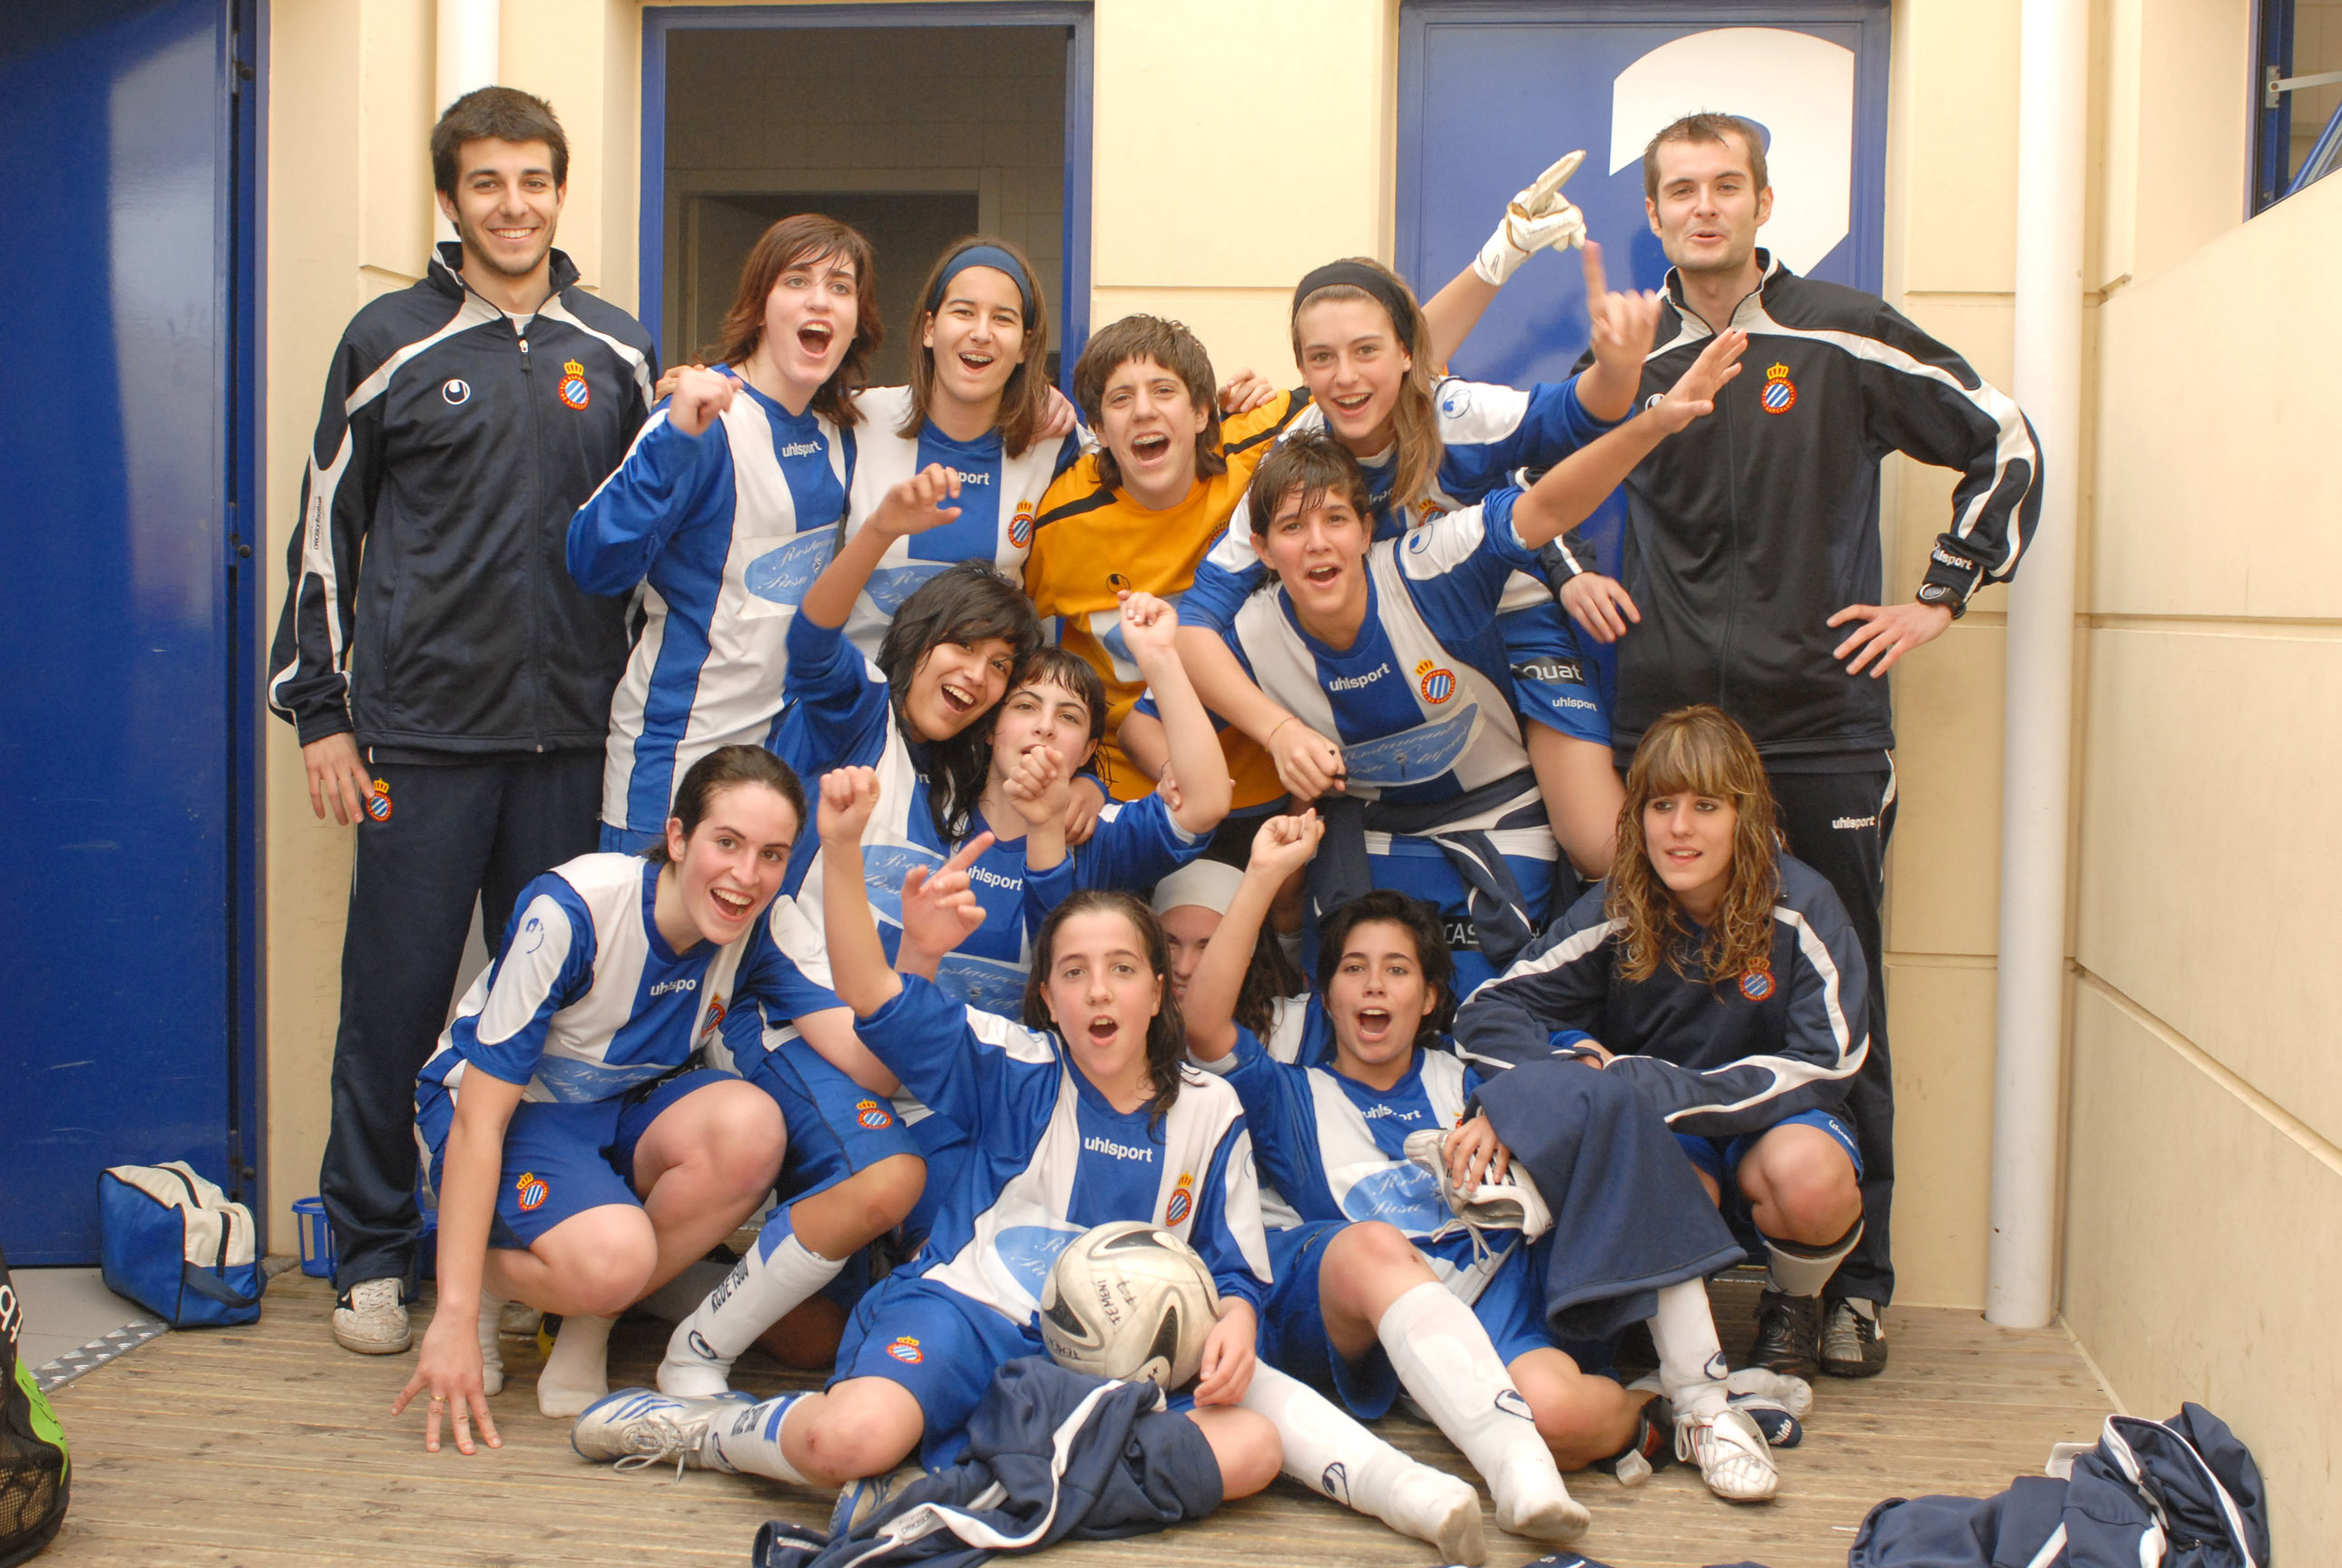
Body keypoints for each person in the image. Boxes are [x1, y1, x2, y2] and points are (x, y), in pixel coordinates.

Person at [1551, 113, 2045, 1373]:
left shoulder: (1839, 332)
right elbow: (1519, 477)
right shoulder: (1630, 348)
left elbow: (2004, 436)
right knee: (1636, 978)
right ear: (1652, 215)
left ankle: (1845, 1282)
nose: (1703, 209)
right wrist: (1564, 572)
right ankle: (1651, 1275)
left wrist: (1939, 594)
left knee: (1846, 993)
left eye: (1726, 187)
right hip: (1661, 731)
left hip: (1819, 729)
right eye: (1679, 191)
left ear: (1763, 202)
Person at [571, 768, 1282, 1509]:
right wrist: (843, 848)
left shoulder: (1211, 1108)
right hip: (965, 1316)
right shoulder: (1013, 1066)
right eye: (1074, 971)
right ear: (1047, 995)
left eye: (1122, 969)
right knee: (849, 1442)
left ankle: (972, 1498)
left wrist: (1235, 1320)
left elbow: (1235, 1273)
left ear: (1158, 989)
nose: (1098, 990)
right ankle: (695, 1432)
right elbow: (870, 991)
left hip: (1104, 1362)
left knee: (1250, 1448)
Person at [266, 86, 656, 1358]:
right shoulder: (388, 337)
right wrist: (322, 711)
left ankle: (518, 1249)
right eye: (486, 182)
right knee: (396, 996)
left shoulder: (621, 349)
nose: (514, 204)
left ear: (560, 188)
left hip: (573, 745)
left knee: (550, 1017)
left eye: (534, 179)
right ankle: (373, 1253)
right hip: (419, 742)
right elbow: (325, 533)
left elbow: (664, 535)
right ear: (451, 200)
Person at [1188, 814, 1792, 1521]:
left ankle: (1671, 1409)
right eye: (1353, 969)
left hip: (1497, 1301)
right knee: (1369, 1247)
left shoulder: (1475, 1078)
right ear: (1328, 997)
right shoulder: (1291, 1094)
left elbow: (1578, 1081)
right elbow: (1203, 1022)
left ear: (1431, 997)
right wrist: (1262, 875)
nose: (1374, 987)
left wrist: (1514, 1103)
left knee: (1561, 1417)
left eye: (1397, 969)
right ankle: (1637, 1413)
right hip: (1374, 1318)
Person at [1197, 325, 1741, 995]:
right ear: (1261, 547)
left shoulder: (1432, 554)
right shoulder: (1250, 628)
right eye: (1291, 528)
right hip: (1378, 820)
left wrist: (1652, 421)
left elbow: (1546, 497)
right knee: (1353, 976)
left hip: (1496, 764)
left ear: (1366, 528)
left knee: (1598, 846)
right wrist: (1260, 734)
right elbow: (1163, 682)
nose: (1316, 545)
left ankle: (1676, 989)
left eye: (1335, 521)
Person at [1170, 235, 1658, 877]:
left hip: (1509, 617)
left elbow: (1577, 417)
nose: (1344, 377)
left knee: (1597, 843)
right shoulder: (1299, 459)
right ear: (1302, 367)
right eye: (1321, 358)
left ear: (1407, 353)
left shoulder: (1453, 413)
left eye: (1366, 351)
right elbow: (1196, 621)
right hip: (1401, 642)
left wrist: (1618, 370)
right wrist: (1277, 730)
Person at [389, 746, 828, 1449]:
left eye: (772, 855)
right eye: (727, 843)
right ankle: (473, 1279)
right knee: (612, 1260)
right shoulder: (574, 909)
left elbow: (858, 1045)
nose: (747, 876)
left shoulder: (760, 925)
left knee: (751, 1128)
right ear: (678, 838)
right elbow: (478, 1122)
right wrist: (450, 1314)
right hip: (501, 1111)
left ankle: (591, 1321)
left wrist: (924, 949)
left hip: (616, 1110)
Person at [1452, 706, 1872, 1386]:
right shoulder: (1622, 902)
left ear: (1744, 814)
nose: (1679, 828)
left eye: (1705, 806)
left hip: (1769, 1126)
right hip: (1671, 1142)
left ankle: (1794, 1304)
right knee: (1662, 1179)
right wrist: (1566, 1078)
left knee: (1809, 1177)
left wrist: (1662, 1088)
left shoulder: (1800, 904)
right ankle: (1662, 1313)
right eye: (1660, 804)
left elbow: (1831, 1059)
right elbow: (1492, 1007)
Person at [569, 214, 879, 851]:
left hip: (779, 773)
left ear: (856, 320)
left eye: (840, 286)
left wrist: (1048, 406)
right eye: (797, 280)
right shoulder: (699, 418)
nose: (820, 298)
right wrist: (675, 439)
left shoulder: (844, 431)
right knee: (648, 946)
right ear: (760, 306)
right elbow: (592, 562)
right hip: (674, 767)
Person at [1023, 313, 1309, 808]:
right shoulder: (1059, 522)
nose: (1142, 411)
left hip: (1268, 769)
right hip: (1129, 788)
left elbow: (1374, 374)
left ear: (1202, 413)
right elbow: (1006, 635)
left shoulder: (1255, 448)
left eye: (1163, 391)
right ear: (1099, 431)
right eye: (1120, 398)